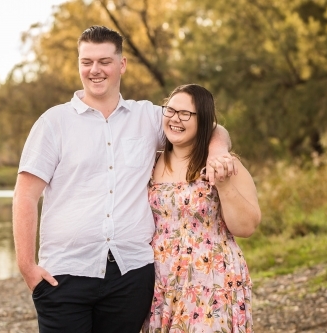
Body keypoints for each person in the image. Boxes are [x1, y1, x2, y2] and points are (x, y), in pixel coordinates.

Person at [12, 26, 234, 333]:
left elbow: (209, 126)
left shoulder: (147, 117)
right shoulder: (54, 123)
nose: (95, 70)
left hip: (131, 274)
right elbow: (25, 195)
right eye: (86, 61)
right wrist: (27, 267)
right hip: (63, 274)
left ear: (122, 65)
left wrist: (217, 152)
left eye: (104, 61)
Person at [143, 84, 261, 333]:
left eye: (186, 114)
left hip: (211, 281)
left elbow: (247, 226)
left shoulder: (225, 165)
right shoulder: (149, 162)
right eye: (171, 110)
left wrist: (224, 184)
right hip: (160, 283)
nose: (176, 119)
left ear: (204, 120)